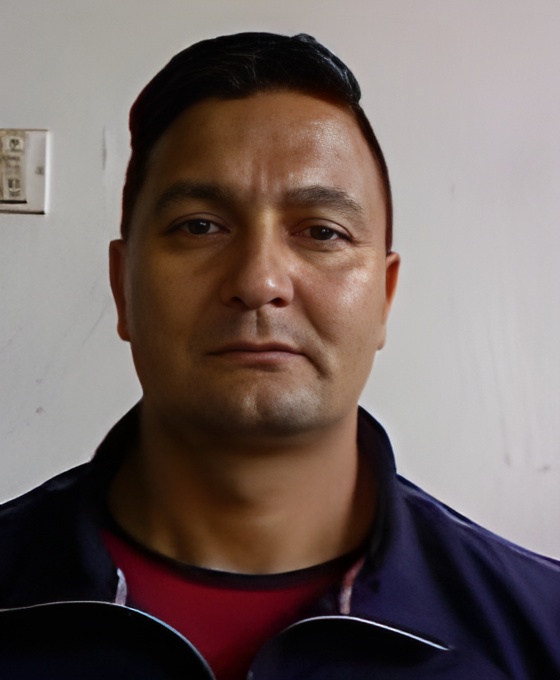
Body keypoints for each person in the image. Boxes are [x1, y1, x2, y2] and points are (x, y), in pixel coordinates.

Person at [0, 32, 558, 680]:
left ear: (384, 297)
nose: (259, 280)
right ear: (122, 286)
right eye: (200, 226)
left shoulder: (539, 632)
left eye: (322, 231)